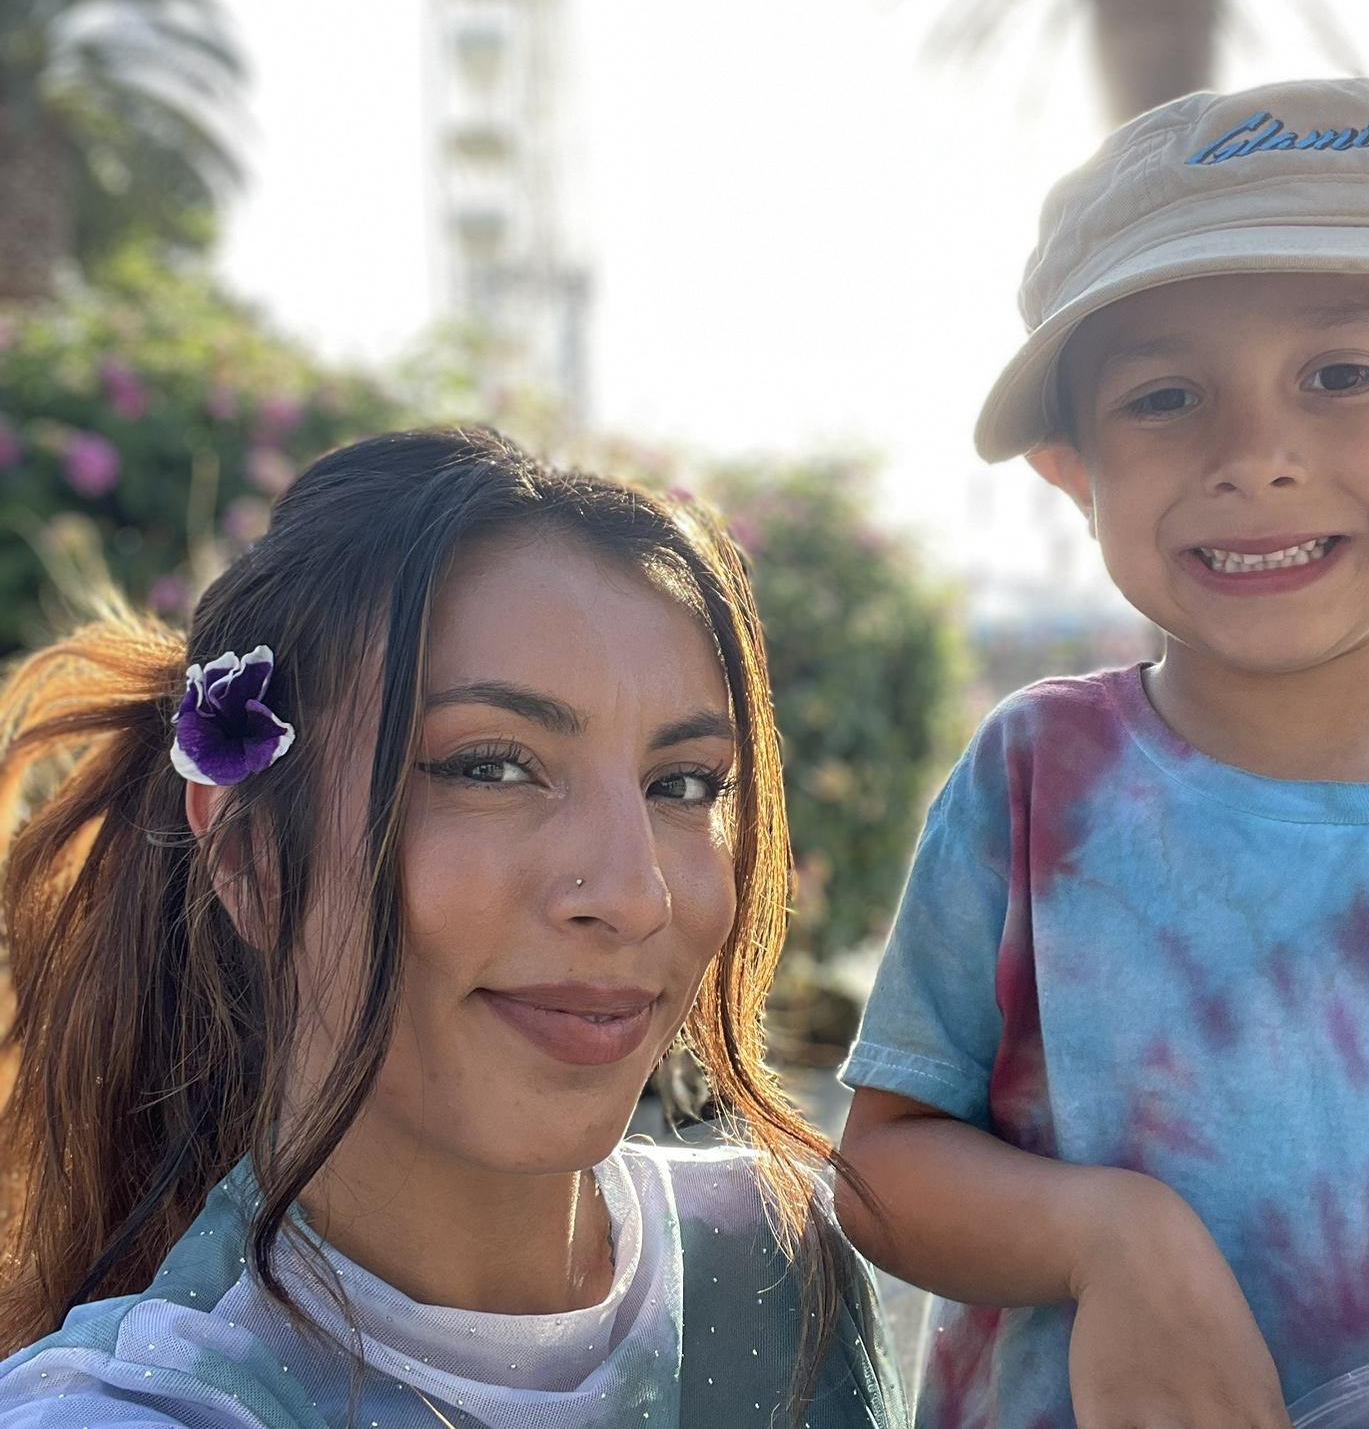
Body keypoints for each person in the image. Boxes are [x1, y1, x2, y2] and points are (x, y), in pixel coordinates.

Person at [0, 426, 905, 1428]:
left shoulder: (786, 1259)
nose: (636, 892)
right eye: (491, 767)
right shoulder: (139, 1410)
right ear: (251, 859)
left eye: (682, 784)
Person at [833, 77, 1369, 1429]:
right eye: (1165, 395)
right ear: (1071, 465)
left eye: (1343, 375)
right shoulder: (1037, 780)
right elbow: (880, 1170)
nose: (1255, 454)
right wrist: (1106, 1237)